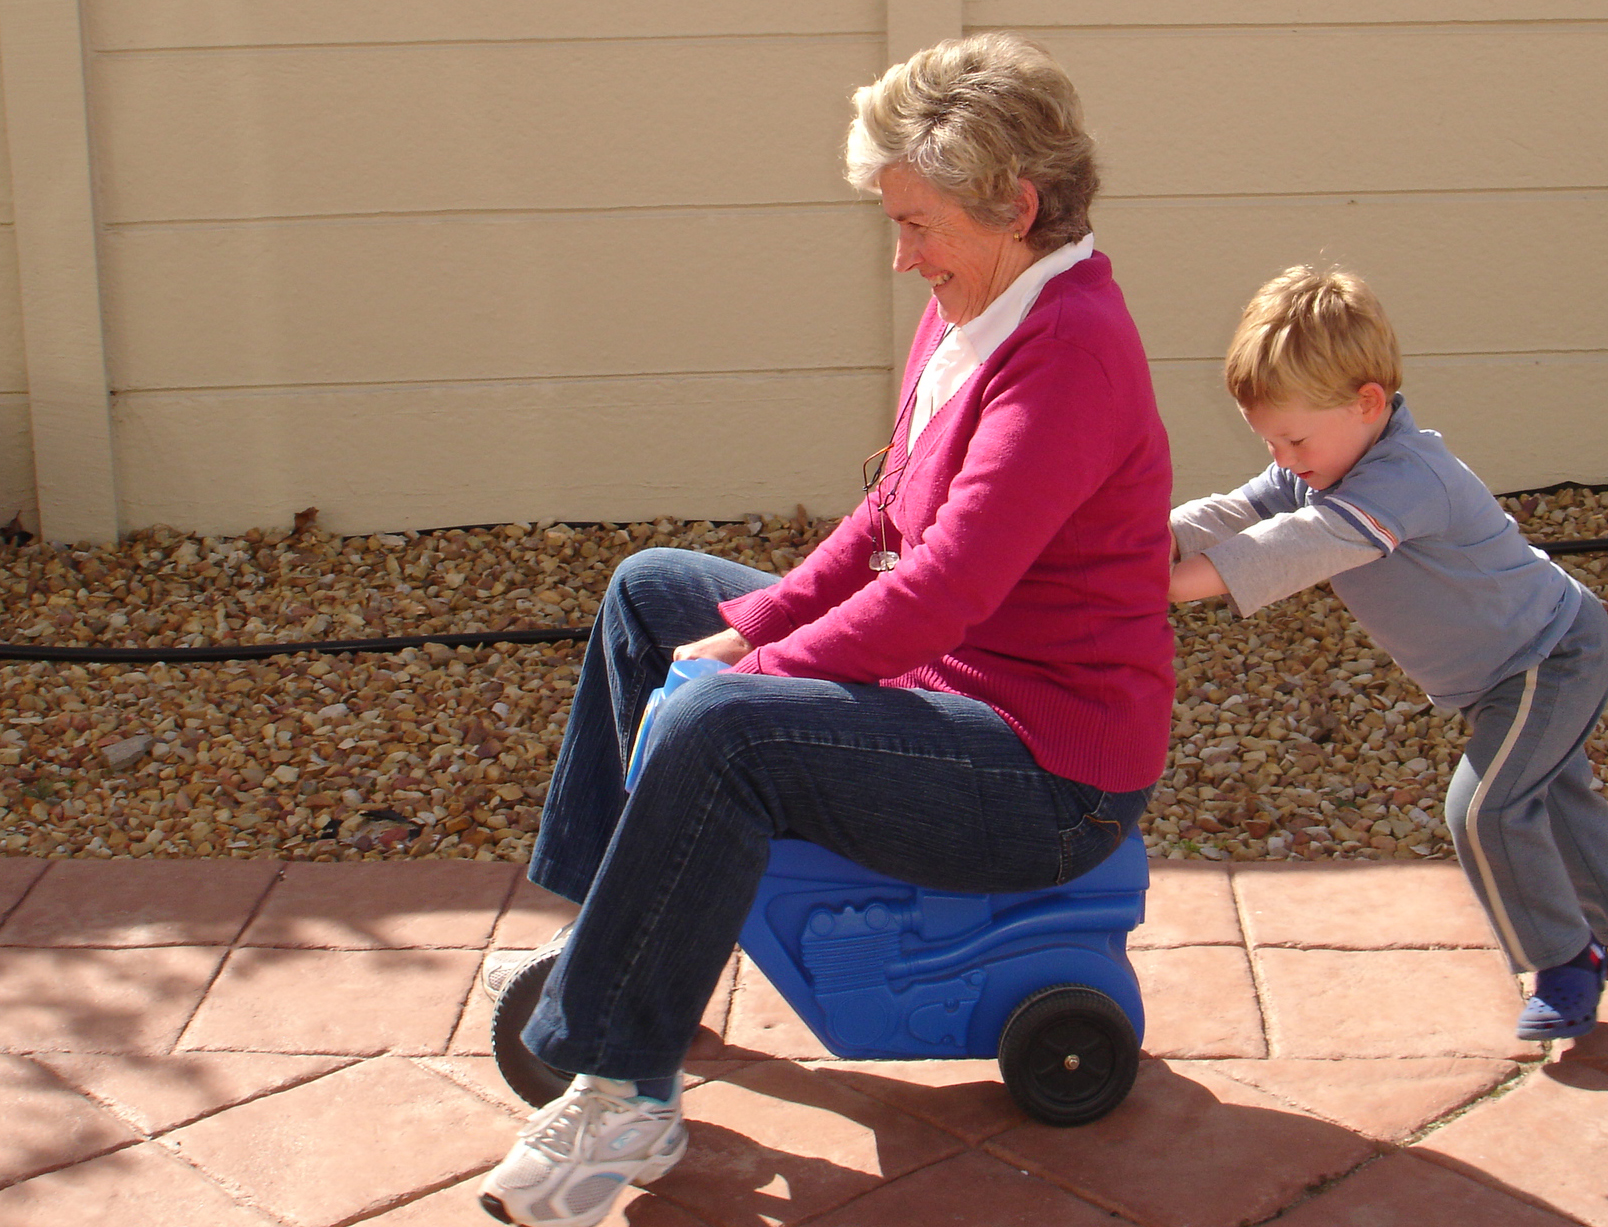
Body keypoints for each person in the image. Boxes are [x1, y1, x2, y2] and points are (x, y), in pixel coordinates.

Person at [476, 32, 1175, 1227]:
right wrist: (750, 629)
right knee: (654, 593)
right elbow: (886, 519)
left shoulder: (1068, 358)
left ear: (1016, 203)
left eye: (918, 225)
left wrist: (746, 680)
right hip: (955, 687)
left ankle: (621, 1088)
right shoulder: (984, 306)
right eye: (892, 223)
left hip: (1045, 774)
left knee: (726, 734)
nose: (901, 258)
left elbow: (942, 590)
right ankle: (619, 939)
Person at [1167, 264, 1608, 1044]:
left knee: (1485, 807)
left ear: (1366, 404)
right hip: (1506, 669)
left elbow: (1306, 543)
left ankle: (1564, 959)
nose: (1281, 454)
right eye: (1267, 438)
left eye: (1292, 437)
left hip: (1550, 653)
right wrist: (1154, 538)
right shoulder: (1317, 461)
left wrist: (1173, 584)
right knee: (1557, 794)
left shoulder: (1406, 476)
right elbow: (1239, 510)